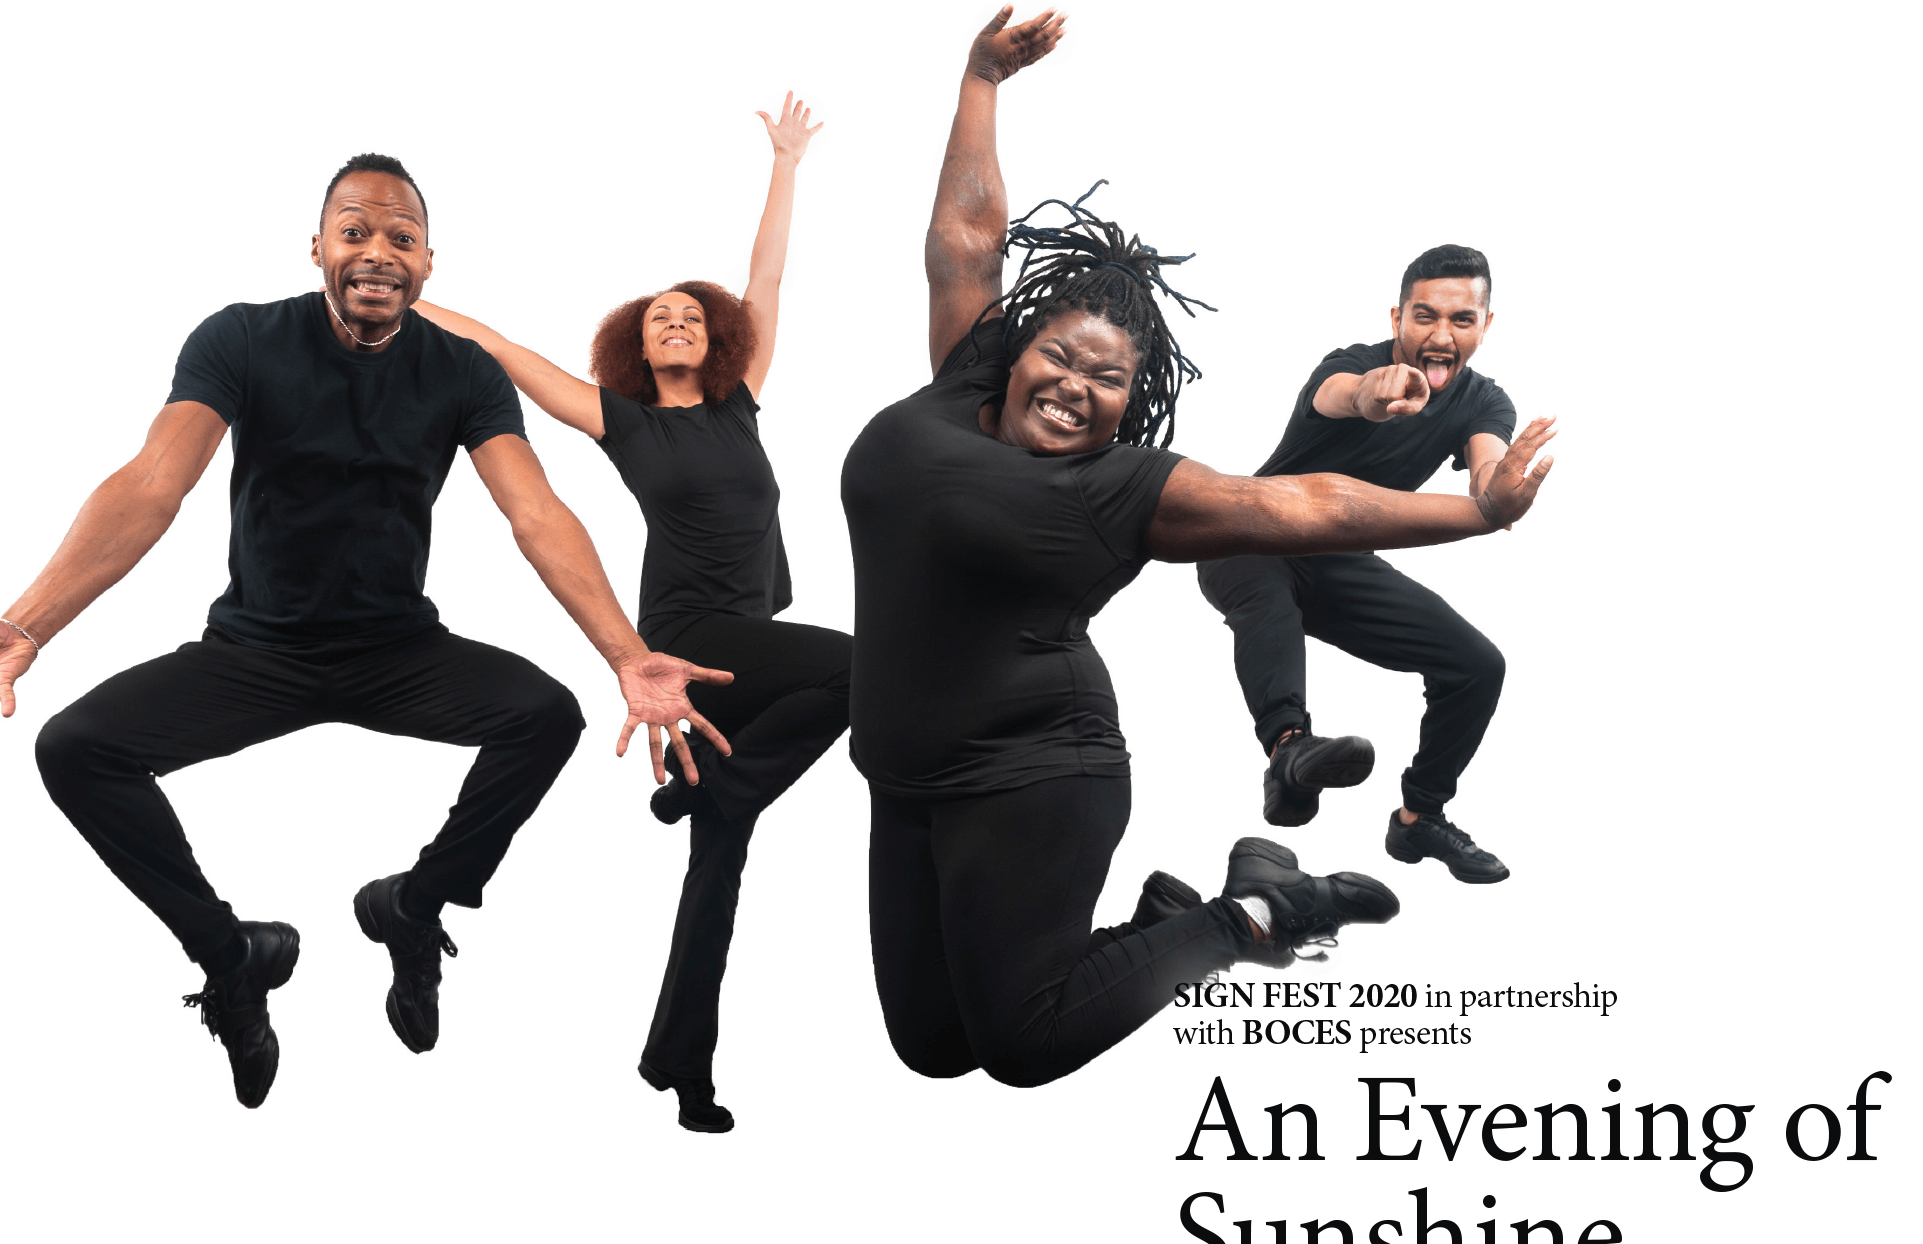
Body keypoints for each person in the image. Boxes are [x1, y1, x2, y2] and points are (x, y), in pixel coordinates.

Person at [837, 8, 1557, 1089]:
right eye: (1062, 359)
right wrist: (979, 81)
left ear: (1134, 405)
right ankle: (1166, 920)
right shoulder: (958, 378)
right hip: (899, 772)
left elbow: (1311, 507)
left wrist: (1478, 512)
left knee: (1022, 1046)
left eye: (1108, 381)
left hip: (1034, 770)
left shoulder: (1118, 487)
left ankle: (1255, 909)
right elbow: (964, 241)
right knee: (935, 1048)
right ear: (1016, 343)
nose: (1075, 387)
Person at [0, 154, 731, 1109]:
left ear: (429, 262)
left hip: (397, 650)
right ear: (318, 248)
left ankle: (413, 905)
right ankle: (235, 962)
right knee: (75, 751)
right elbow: (154, 483)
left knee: (544, 716)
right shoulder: (242, 340)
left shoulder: (464, 371)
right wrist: (29, 624)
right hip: (256, 653)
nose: (377, 251)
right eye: (354, 231)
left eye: (400, 236)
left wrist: (625, 654)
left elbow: (537, 513)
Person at [415, 96, 846, 1134]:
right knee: (863, 666)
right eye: (659, 316)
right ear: (636, 347)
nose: (679, 320)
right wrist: (402, 290)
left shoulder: (742, 396)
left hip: (749, 657)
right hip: (691, 639)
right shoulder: (623, 423)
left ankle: (681, 1068)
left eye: (692, 313)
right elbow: (498, 347)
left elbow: (768, 278)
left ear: (715, 338)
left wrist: (784, 164)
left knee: (721, 857)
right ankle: (723, 784)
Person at [1195, 244, 1535, 883]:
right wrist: (1374, 395)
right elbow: (1342, 395)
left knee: (1477, 665)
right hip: (1247, 536)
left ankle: (1418, 821)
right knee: (1268, 606)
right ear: (1396, 318)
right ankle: (1290, 755)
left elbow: (1489, 473)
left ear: (1486, 326)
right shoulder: (1353, 365)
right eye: (1424, 317)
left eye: (1462, 320)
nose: (1440, 335)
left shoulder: (1485, 402)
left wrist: (1503, 492)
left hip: (1338, 563)